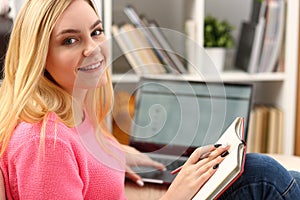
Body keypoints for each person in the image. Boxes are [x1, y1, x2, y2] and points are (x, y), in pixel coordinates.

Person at [0, 0, 299, 199]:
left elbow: (81, 152)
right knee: (264, 175)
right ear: (38, 57)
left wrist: (116, 155)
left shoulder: (72, 108)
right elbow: (60, 155)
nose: (94, 49)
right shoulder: (44, 144)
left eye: (96, 31)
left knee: (272, 173)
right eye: (70, 40)